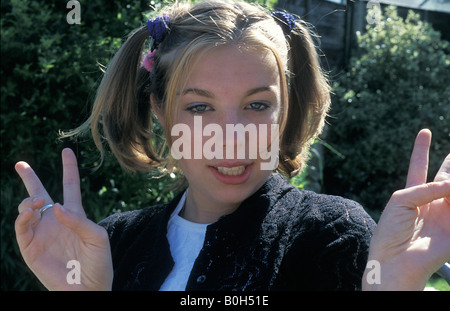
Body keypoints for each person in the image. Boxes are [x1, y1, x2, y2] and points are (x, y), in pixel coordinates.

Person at [14, 0, 449, 291]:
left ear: (285, 112)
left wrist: (389, 285)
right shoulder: (110, 243)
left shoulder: (333, 234)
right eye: (201, 108)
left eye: (257, 105)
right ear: (161, 112)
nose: (232, 134)